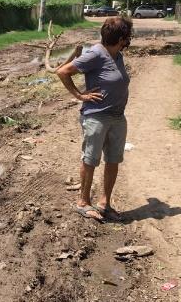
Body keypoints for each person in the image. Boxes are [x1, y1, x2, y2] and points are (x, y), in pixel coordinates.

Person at [56, 17, 133, 222]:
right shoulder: (96, 54)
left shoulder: (116, 55)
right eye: (127, 36)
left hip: (117, 117)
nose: (129, 39)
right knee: (90, 160)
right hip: (96, 117)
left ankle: (104, 203)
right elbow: (63, 72)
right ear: (121, 38)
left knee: (113, 160)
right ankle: (83, 202)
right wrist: (80, 95)